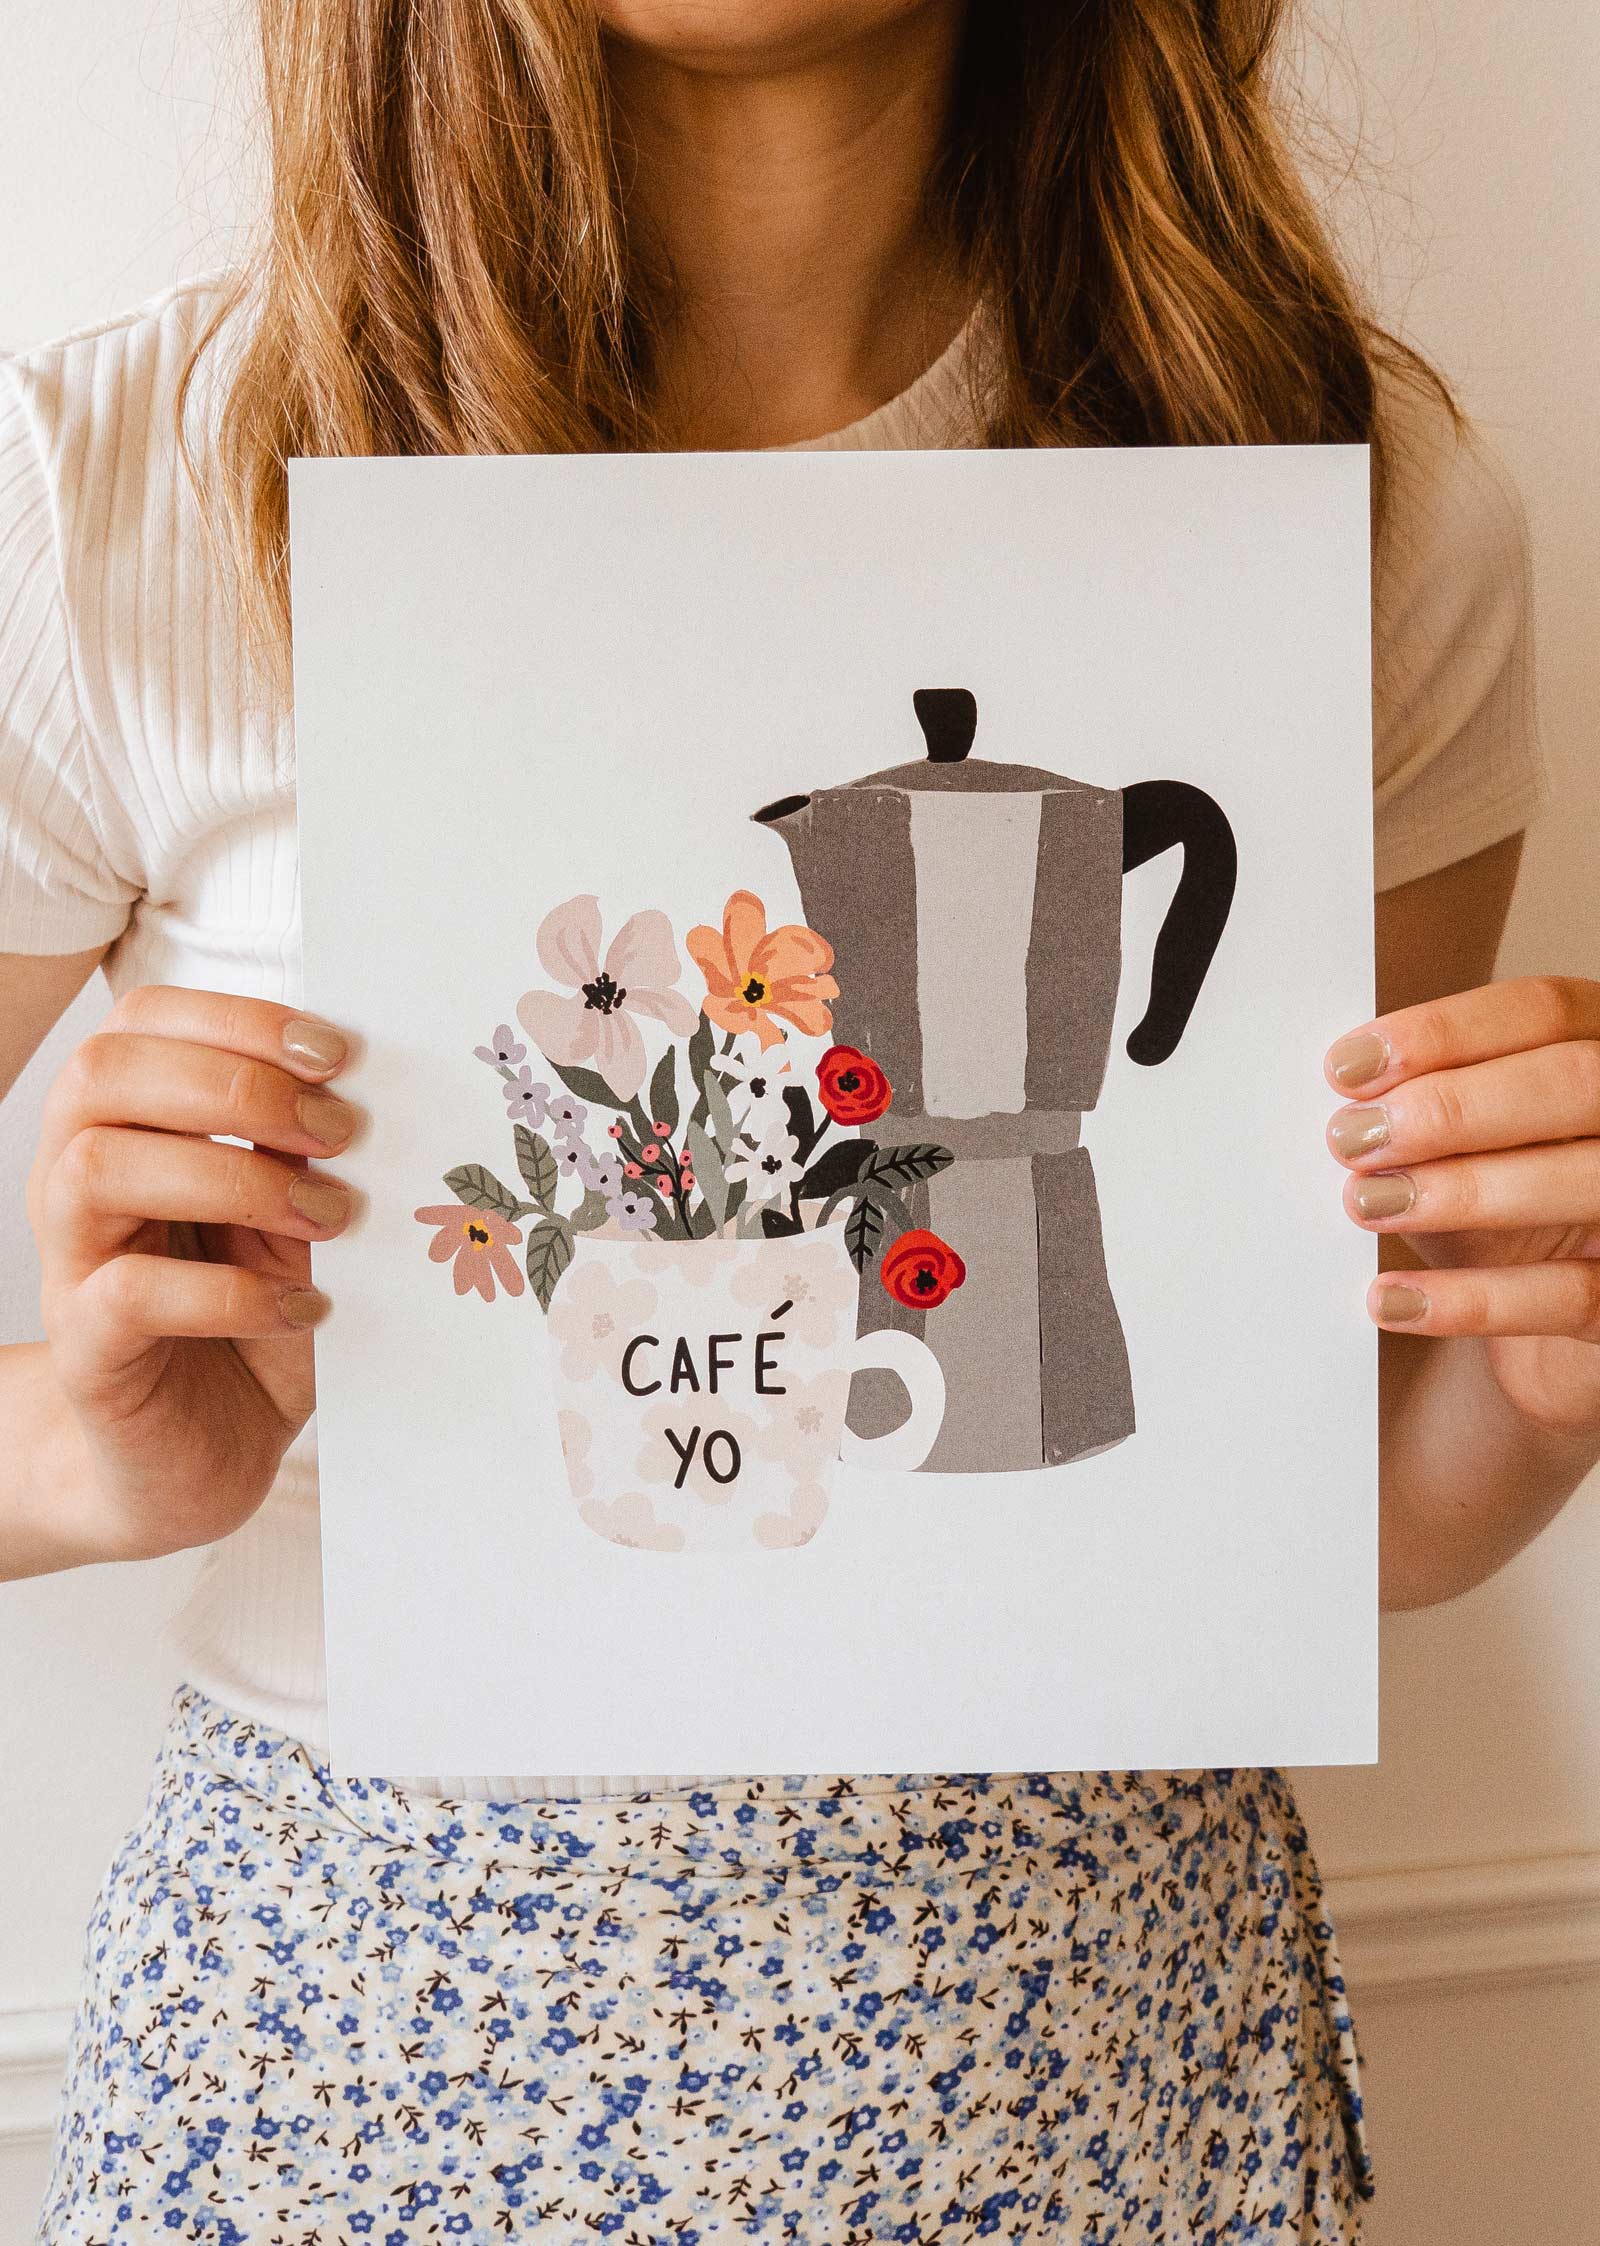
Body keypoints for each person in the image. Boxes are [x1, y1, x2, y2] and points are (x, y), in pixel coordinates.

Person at [0, 3, 1590, 2238]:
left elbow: (1317, 1507)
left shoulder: (1338, 500)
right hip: (360, 2057)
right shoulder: (117, 490)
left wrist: (1527, 1390)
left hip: (1087, 2045)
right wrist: (74, 1455)